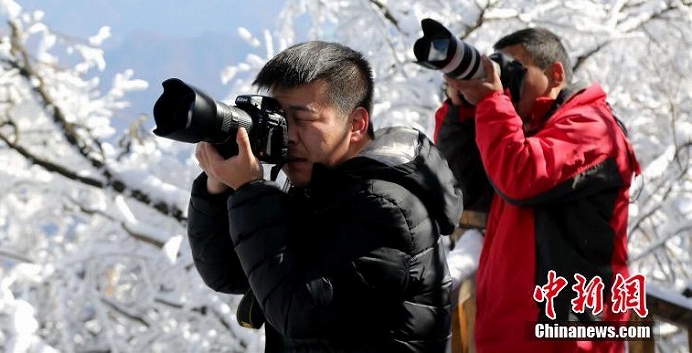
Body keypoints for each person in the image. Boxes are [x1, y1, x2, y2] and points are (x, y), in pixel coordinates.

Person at [187, 41, 463, 352]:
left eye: (303, 119)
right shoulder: (320, 191)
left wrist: (249, 192)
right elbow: (227, 274)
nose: (287, 135)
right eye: (280, 118)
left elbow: (302, 312)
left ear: (355, 124)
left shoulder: (386, 206)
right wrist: (216, 188)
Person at [435, 27, 641, 353]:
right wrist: (463, 112)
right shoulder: (525, 132)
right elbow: (463, 187)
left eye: (512, 72)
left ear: (555, 74)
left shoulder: (594, 128)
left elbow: (520, 177)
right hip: (507, 338)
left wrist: (492, 100)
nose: (505, 86)